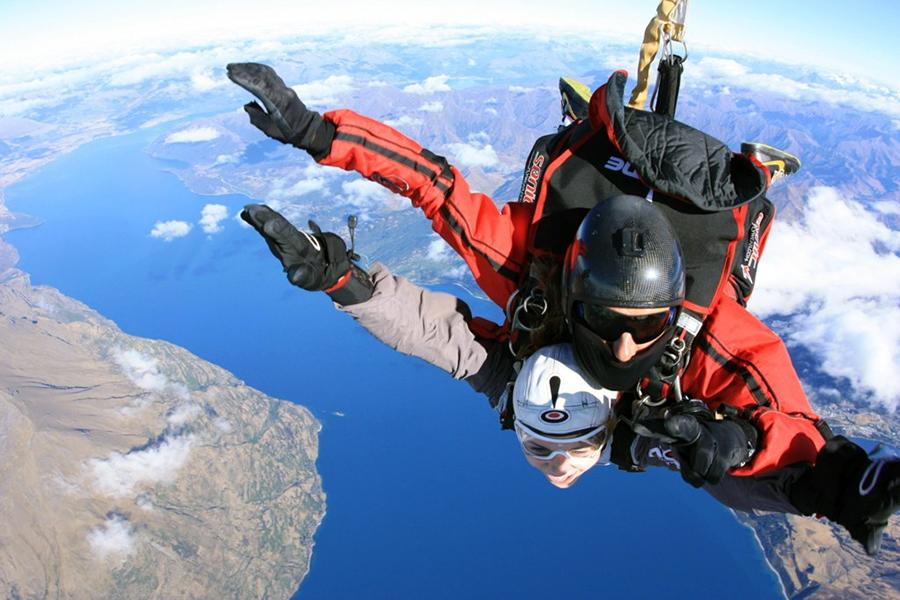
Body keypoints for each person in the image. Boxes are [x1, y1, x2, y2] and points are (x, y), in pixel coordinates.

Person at [240, 202, 899, 556]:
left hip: (647, 297)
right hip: (624, 316)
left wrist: (825, 474)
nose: (554, 468)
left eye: (543, 447)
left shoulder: (546, 382)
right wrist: (820, 481)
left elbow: (434, 330)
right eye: (548, 448)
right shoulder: (611, 426)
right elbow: (430, 332)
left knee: (717, 305)